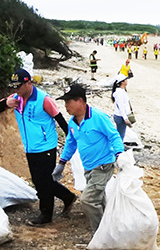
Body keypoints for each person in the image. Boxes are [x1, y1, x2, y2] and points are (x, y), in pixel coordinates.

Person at [2, 69, 76, 226]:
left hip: (46, 147)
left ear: (28, 83)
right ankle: (68, 197)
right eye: (14, 87)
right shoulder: (15, 99)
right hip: (30, 148)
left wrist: (72, 139)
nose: (16, 90)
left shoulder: (43, 99)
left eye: (18, 86)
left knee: (43, 182)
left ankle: (46, 214)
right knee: (40, 180)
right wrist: (5, 104)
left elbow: (60, 119)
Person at [52, 84, 125, 232]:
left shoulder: (98, 117)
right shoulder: (73, 122)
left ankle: (100, 233)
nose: (66, 106)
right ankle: (110, 228)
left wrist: (119, 155)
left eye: (68, 102)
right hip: (89, 168)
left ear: (80, 101)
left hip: (103, 166)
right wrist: (61, 162)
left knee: (88, 200)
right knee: (99, 199)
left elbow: (114, 136)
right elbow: (71, 143)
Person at [112, 74, 132, 140]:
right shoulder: (119, 92)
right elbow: (121, 107)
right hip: (120, 117)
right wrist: (125, 118)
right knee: (120, 135)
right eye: (125, 80)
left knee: (120, 134)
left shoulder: (121, 91)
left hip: (121, 116)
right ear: (122, 82)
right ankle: (118, 149)